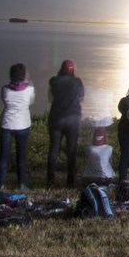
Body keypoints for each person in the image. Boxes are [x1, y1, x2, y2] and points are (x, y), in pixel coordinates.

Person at [0, 63, 35, 192]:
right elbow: (31, 101)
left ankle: (0, 185)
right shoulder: (29, 90)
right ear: (24, 75)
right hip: (23, 124)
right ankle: (22, 184)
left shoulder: (5, 89)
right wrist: (29, 81)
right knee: (21, 156)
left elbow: (4, 101)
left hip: (6, 124)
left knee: (3, 156)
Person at [46, 59, 85, 188]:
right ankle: (70, 180)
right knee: (71, 150)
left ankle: (51, 179)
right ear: (73, 70)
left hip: (57, 118)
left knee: (54, 149)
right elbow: (81, 97)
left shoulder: (54, 82)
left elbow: (50, 99)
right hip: (73, 118)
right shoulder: (78, 82)